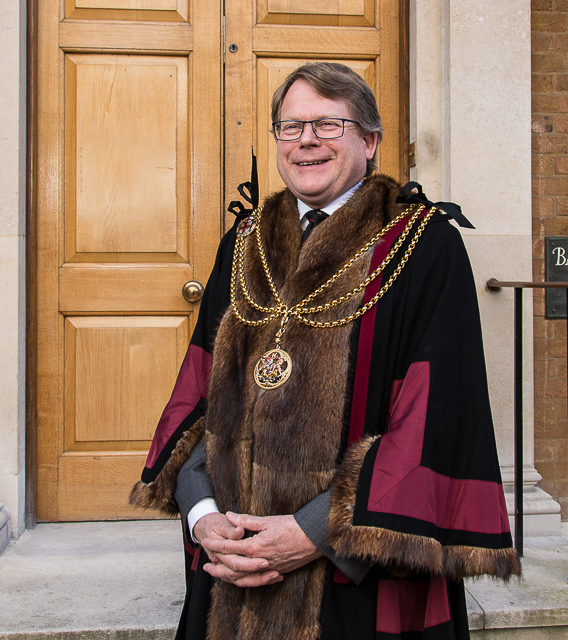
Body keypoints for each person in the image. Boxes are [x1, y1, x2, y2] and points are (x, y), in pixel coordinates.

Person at [131, 62, 519, 640]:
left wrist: (312, 532)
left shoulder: (422, 246)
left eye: (327, 125)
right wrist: (203, 516)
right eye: (290, 127)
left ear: (370, 141)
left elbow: (434, 422)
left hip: (352, 581)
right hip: (230, 569)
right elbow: (199, 397)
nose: (305, 140)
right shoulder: (245, 244)